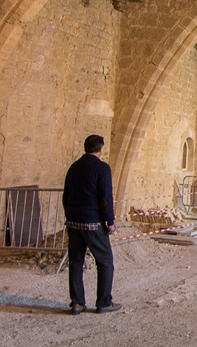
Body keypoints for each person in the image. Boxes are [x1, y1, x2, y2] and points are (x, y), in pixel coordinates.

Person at [62, 134, 121, 315]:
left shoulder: (74, 167)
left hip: (73, 221)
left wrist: (69, 215)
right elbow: (105, 197)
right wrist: (110, 222)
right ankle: (104, 302)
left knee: (76, 263)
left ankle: (77, 303)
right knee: (105, 261)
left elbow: (66, 194)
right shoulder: (102, 168)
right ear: (100, 149)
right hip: (92, 222)